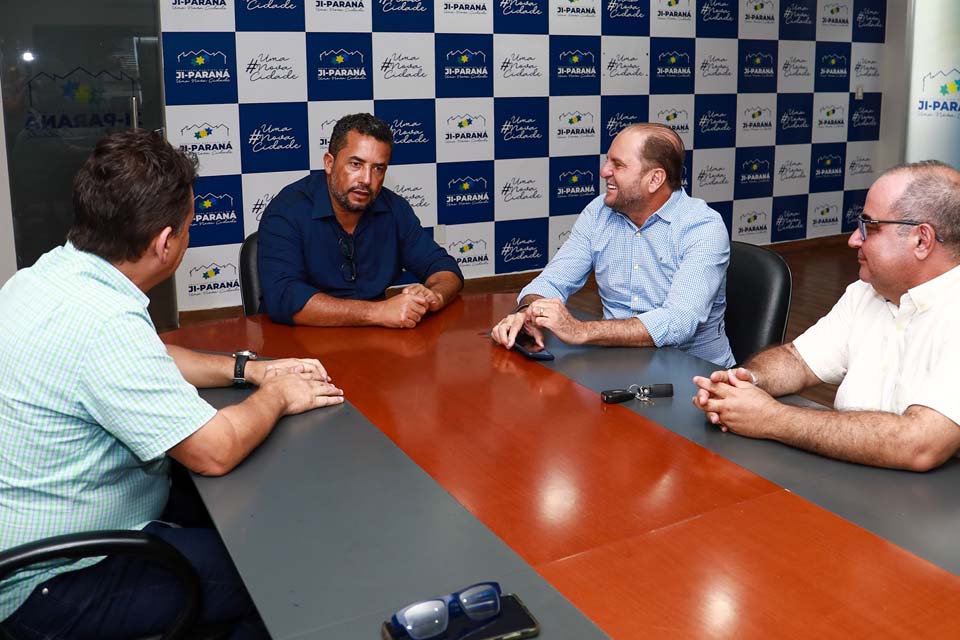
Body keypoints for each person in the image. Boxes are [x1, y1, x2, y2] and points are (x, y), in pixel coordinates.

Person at [0, 129, 345, 639]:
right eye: (187, 228)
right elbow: (215, 451)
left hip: (41, 537)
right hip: (56, 583)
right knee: (280, 572)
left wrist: (248, 369)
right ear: (165, 243)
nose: (187, 237)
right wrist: (278, 393)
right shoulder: (105, 323)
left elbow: (151, 354)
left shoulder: (50, 274)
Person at [693, 160, 960, 471]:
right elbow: (798, 360)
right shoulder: (867, 291)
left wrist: (770, 418)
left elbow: (920, 445)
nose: (854, 239)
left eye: (869, 227)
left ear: (921, 240)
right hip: (852, 479)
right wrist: (746, 381)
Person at [490, 123, 735, 367]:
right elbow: (552, 281)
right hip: (617, 365)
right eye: (608, 161)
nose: (604, 171)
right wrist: (527, 311)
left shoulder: (703, 227)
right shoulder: (598, 212)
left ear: (655, 179)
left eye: (618, 165)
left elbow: (679, 322)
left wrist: (580, 331)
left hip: (696, 378)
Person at [257, 113, 463, 328]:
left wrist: (434, 295)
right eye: (356, 164)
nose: (367, 180)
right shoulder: (286, 210)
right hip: (297, 346)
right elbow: (283, 298)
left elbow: (445, 268)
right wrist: (377, 312)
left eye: (378, 168)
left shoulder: (394, 208)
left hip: (376, 343)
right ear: (329, 163)